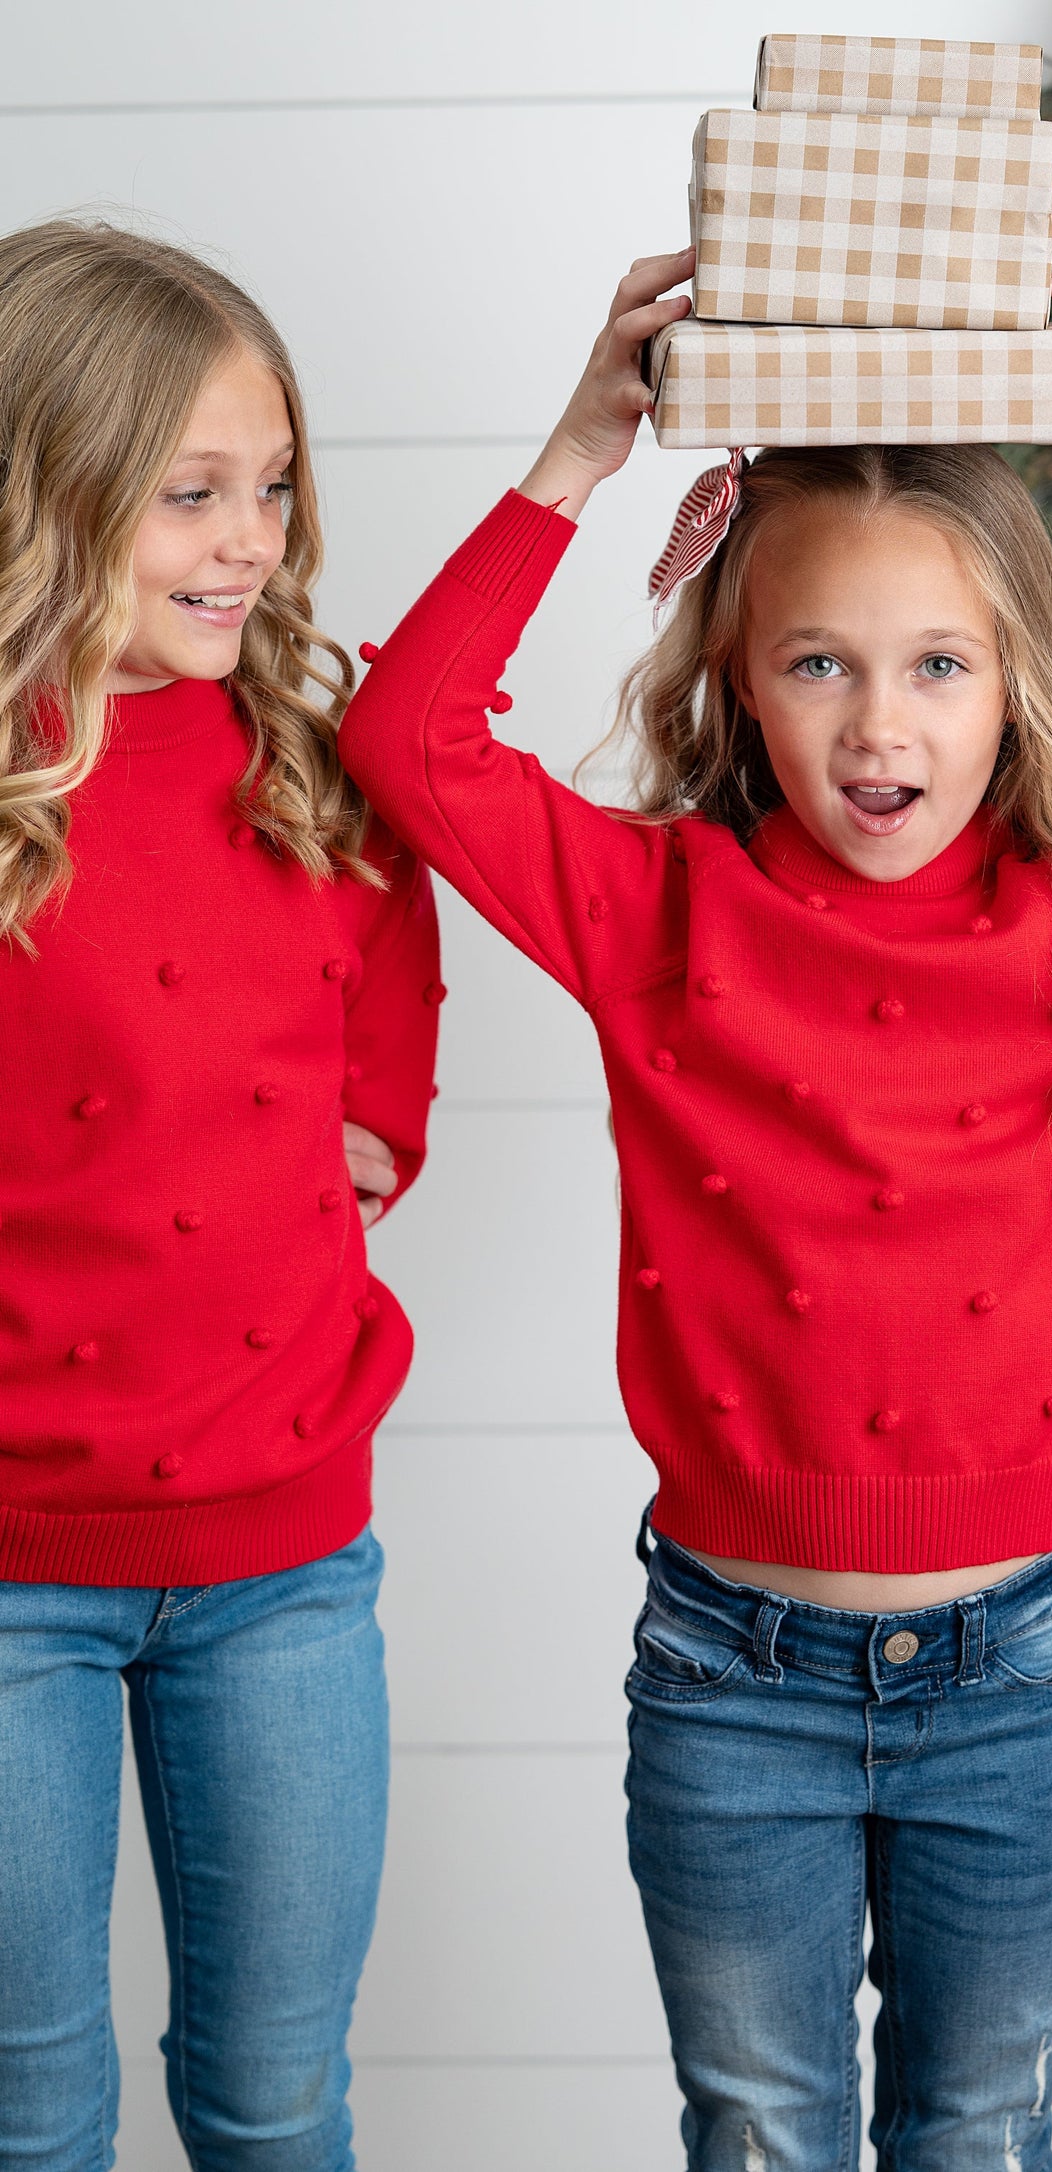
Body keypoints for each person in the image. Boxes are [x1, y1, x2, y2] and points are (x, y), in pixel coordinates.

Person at [338, 191, 1052, 2171]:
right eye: (818, 661)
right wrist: (578, 456)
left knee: (980, 2135)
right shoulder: (662, 914)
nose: (881, 723)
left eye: (938, 666)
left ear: (1016, 683)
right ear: (738, 679)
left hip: (1016, 1678)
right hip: (730, 1680)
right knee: (759, 2136)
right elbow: (407, 736)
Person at [0, 222, 439, 2170]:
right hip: (10, 1571)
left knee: (274, 2096)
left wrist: (365, 1126)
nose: (250, 540)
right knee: (30, 2108)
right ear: (45, 493)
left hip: (281, 1562)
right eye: (191, 494)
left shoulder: (307, 763)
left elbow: (382, 995)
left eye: (272, 487)